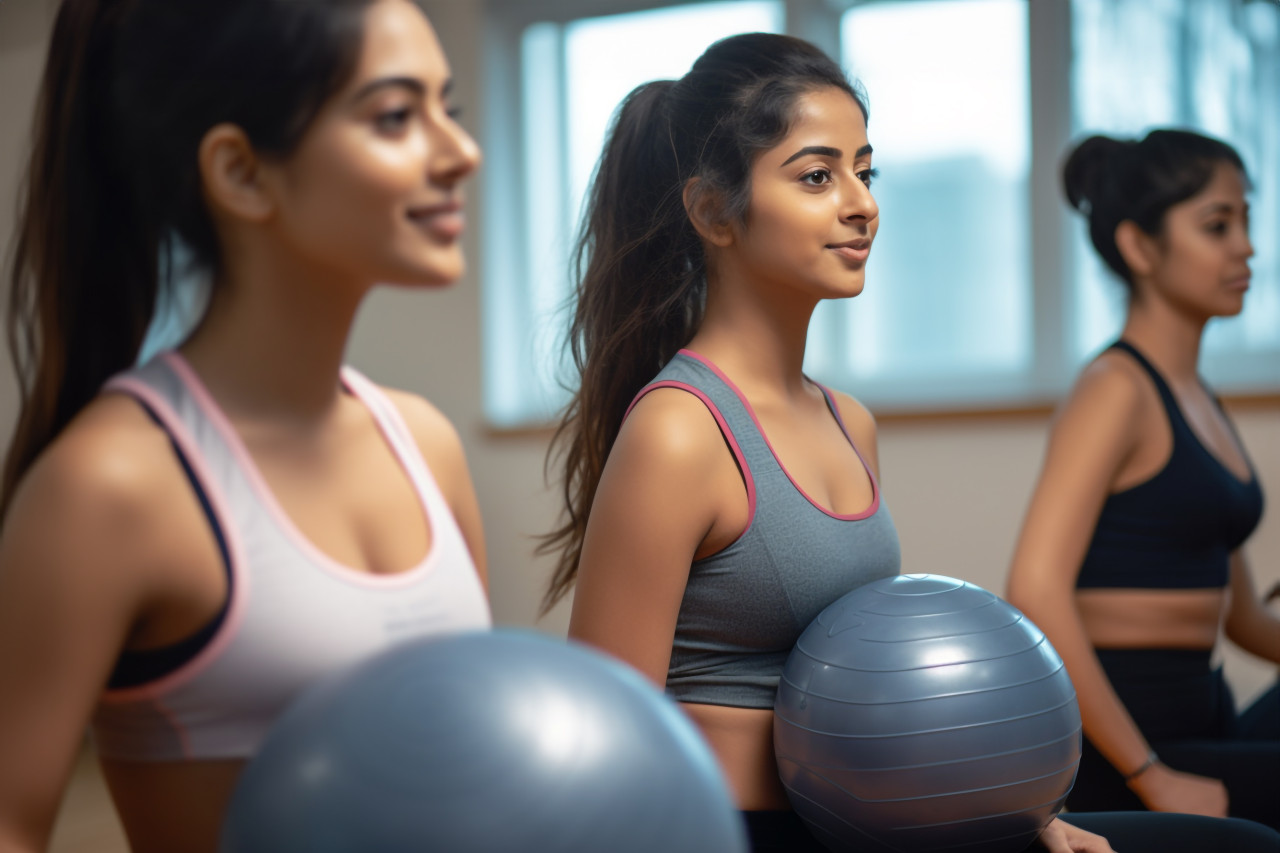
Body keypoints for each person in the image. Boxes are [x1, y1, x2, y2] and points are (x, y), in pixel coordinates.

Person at [541, 33, 1280, 853]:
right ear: (713, 210)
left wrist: (1021, 812)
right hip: (734, 831)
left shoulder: (848, 421)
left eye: (866, 169)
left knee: (1238, 841)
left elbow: (885, 689)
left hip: (870, 823)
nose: (861, 202)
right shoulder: (679, 431)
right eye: (818, 175)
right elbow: (609, 740)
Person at [0, 1, 489, 850]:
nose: (460, 153)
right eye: (396, 117)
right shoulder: (109, 487)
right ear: (241, 173)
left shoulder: (425, 442)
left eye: (451, 109)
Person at [1006, 130, 1279, 828]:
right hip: (1135, 746)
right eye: (1218, 225)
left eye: (1246, 220)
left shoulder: (1197, 396)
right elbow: (1034, 588)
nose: (1245, 246)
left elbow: (1242, 616)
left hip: (1206, 718)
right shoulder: (1116, 389)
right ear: (1138, 246)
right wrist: (1152, 776)